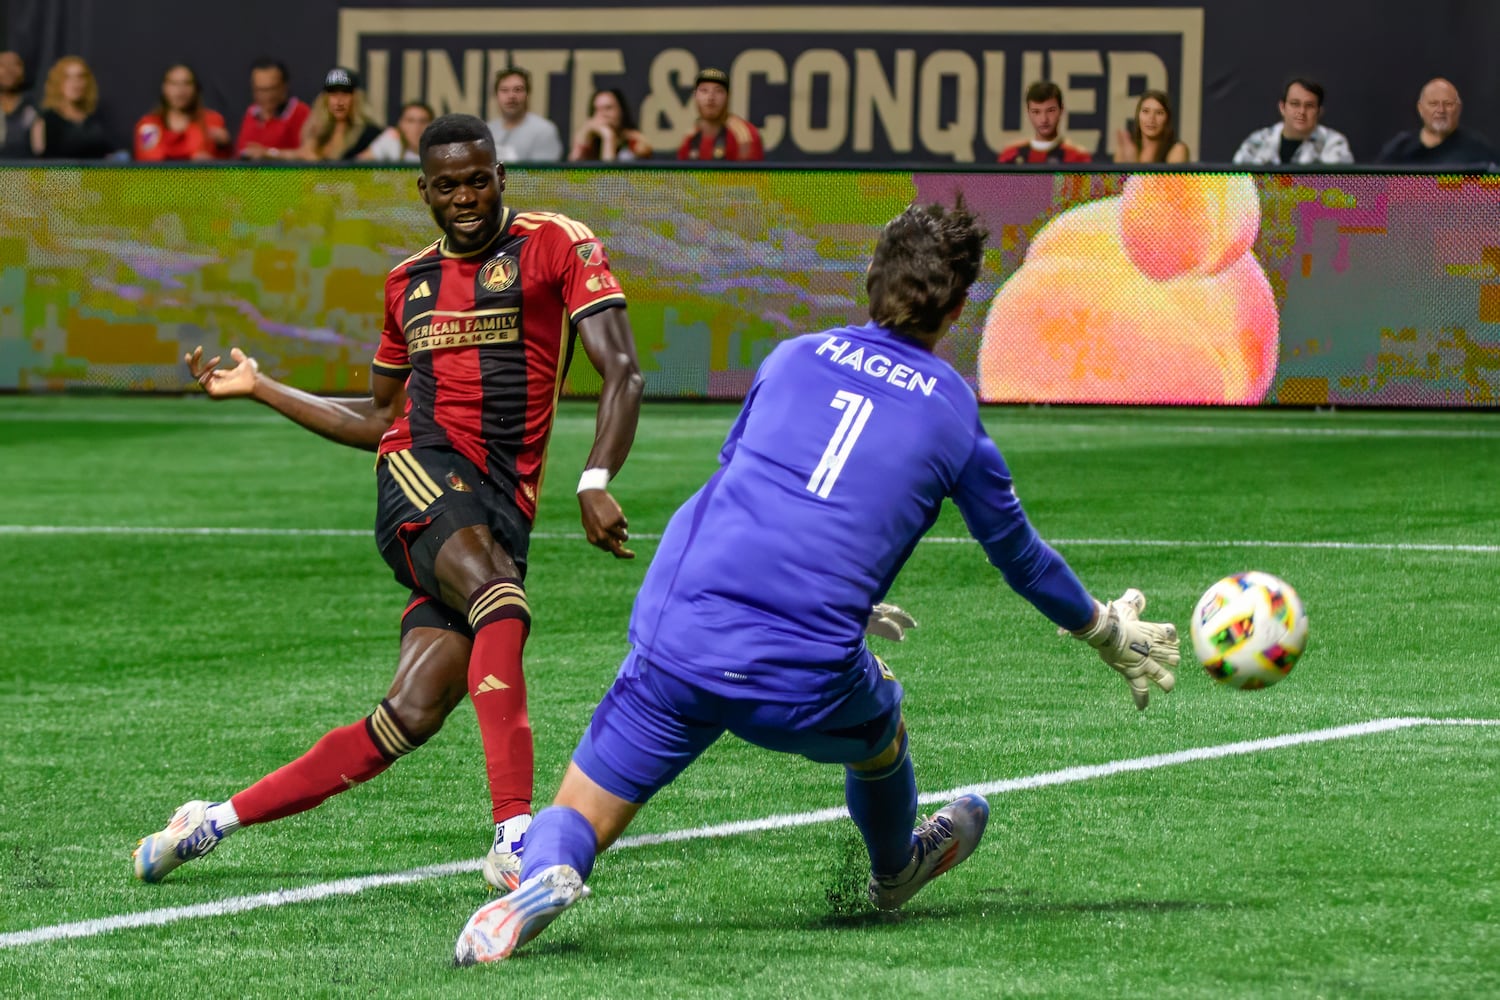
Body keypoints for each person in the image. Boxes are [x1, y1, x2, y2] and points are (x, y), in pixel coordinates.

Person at [452, 197, 1180, 964]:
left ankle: (549, 873)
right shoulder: (955, 415)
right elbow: (1021, 557)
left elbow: (753, 487)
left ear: (869, 277)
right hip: (797, 675)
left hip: (682, 637)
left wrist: (834, 588)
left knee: (579, 808)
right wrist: (1104, 629)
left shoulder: (791, 357)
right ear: (960, 310)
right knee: (881, 732)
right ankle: (898, 868)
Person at [132, 113, 647, 893]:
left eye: (479, 179)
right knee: (499, 602)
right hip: (419, 475)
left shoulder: (556, 243)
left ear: (502, 174)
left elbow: (624, 371)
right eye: (448, 186)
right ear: (425, 193)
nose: (466, 197)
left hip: (498, 508)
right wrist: (264, 387)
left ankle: (208, 820)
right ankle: (514, 836)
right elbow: (379, 422)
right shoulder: (407, 282)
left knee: (406, 717)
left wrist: (595, 478)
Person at [1376, 78, 1497, 167]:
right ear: (1420, 108)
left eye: (1448, 104)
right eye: (1433, 104)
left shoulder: (1478, 152)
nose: (1440, 110)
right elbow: (1376, 194)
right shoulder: (1399, 148)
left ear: (1459, 108)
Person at [1231, 78, 1353, 165]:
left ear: (1319, 111)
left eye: (1309, 106)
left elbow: (1339, 193)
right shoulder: (1258, 141)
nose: (1301, 111)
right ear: (1282, 108)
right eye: (1295, 104)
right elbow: (1235, 187)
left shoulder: (1334, 143)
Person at [133, 64, 231, 162]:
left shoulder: (211, 121)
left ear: (195, 88)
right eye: (174, 83)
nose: (180, 90)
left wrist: (224, 147)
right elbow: (149, 162)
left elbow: (226, 166)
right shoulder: (148, 125)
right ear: (164, 88)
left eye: (187, 83)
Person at [30, 55, 113, 159]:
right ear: (57, 82)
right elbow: (38, 165)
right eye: (68, 77)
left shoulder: (95, 120)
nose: (75, 83)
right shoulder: (44, 121)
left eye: (80, 77)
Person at [676, 67, 763, 161]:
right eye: (704, 91)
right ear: (695, 96)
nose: (710, 97)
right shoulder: (690, 138)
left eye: (718, 91)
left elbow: (749, 175)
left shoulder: (744, 135)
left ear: (728, 97)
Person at [296, 68, 383, 161]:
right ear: (325, 99)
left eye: (345, 93)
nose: (339, 102)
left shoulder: (370, 135)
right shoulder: (318, 132)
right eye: (333, 94)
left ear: (356, 98)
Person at [997, 81, 1092, 164]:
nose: (1044, 119)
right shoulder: (1011, 156)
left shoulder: (1077, 157)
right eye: (1036, 112)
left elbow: (1092, 184)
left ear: (1061, 110)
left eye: (1050, 111)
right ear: (1028, 112)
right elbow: (992, 184)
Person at [235, 58, 310, 160]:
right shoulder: (251, 112)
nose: (265, 96)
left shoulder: (300, 112)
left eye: (271, 89)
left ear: (284, 87)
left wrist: (269, 153)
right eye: (259, 90)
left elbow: (309, 154)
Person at [485, 67, 563, 163]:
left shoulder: (544, 130)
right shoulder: (487, 131)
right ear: (496, 95)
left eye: (518, 90)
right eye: (504, 90)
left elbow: (542, 175)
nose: (511, 96)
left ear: (527, 95)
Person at [569, 88, 652, 162]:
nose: (602, 114)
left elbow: (609, 177)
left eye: (608, 108)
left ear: (621, 111)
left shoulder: (635, 141)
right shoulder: (590, 139)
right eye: (597, 110)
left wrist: (608, 137)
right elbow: (572, 172)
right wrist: (584, 133)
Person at [1113, 89, 1190, 164]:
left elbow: (1171, 177)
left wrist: (1132, 166)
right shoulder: (1127, 150)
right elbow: (1114, 177)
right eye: (1146, 111)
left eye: (1159, 113)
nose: (1151, 118)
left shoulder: (1178, 149)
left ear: (1167, 119)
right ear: (1138, 115)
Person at [360, 100, 433, 162]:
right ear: (401, 124)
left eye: (423, 121)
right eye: (410, 121)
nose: (417, 127)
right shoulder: (391, 140)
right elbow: (358, 164)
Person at [0, 51, 38, 158]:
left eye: (15, 65)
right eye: (2, 65)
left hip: (27, 170)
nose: (9, 70)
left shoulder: (34, 105)